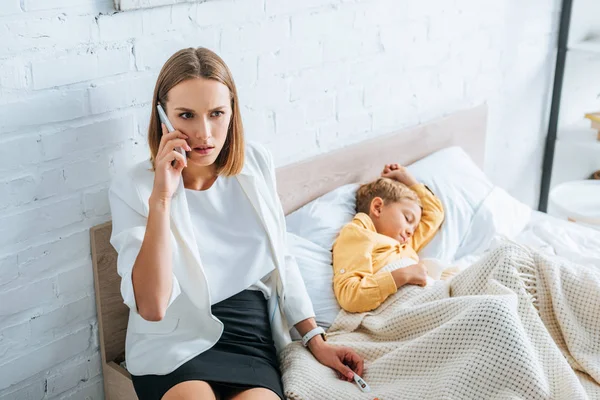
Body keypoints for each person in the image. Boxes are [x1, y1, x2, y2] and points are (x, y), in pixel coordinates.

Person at [108, 47, 363, 400]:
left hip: (248, 334)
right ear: (162, 116)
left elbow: (281, 257)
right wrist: (162, 199)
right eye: (186, 115)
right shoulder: (132, 186)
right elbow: (152, 307)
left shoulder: (256, 162)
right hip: (173, 339)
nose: (204, 133)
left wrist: (314, 340)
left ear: (232, 112)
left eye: (216, 114)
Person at [332, 163, 445, 313]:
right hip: (400, 309)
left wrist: (409, 180)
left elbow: (434, 214)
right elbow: (350, 295)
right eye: (407, 218)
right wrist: (403, 275)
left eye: (415, 227)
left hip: (429, 298)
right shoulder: (360, 234)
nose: (412, 231)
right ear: (378, 207)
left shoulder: (406, 244)